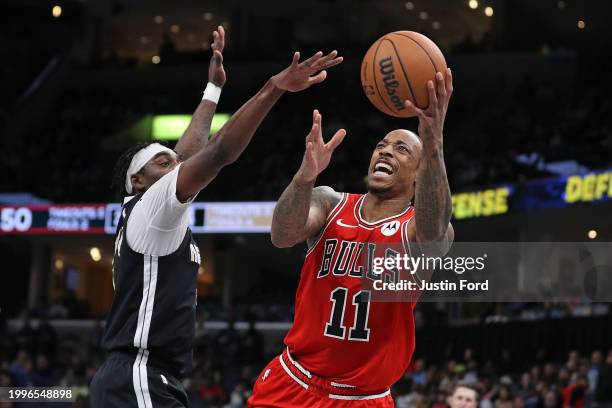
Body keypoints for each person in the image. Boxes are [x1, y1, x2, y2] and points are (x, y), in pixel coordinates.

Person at [89, 25, 343, 407]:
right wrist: (274, 87)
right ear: (138, 181)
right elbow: (218, 152)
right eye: (163, 162)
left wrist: (212, 91)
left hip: (145, 376)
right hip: (138, 374)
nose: (176, 165)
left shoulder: (148, 211)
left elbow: (187, 155)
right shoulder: (149, 208)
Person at [249, 70, 454, 406]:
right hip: (293, 384)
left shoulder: (419, 229)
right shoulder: (330, 202)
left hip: (364, 398)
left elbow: (434, 229)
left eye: (401, 150)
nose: (385, 152)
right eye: (381, 146)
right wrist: (304, 177)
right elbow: (282, 235)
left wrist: (433, 145)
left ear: (420, 173)